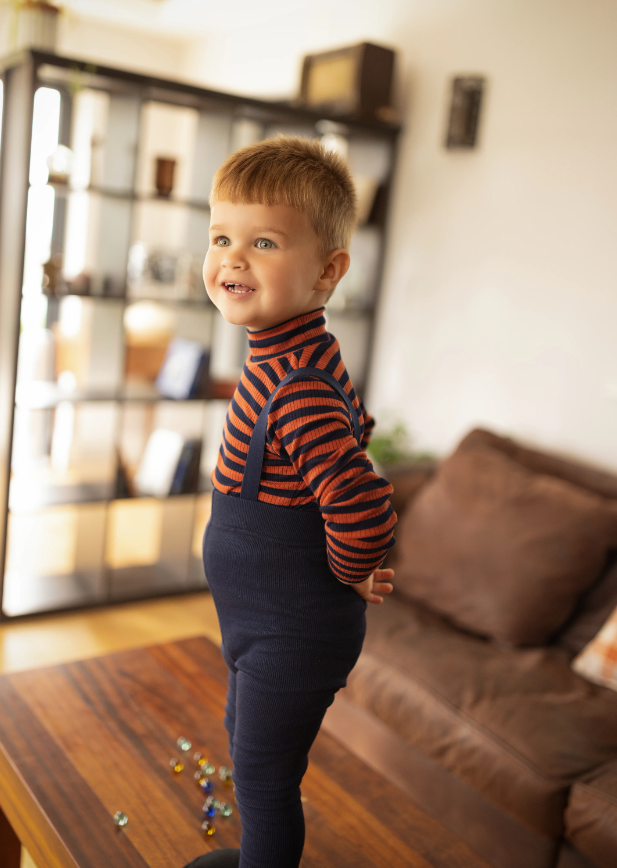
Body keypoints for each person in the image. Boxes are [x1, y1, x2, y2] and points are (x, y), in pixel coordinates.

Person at [184, 136, 397, 868]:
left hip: (291, 631)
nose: (232, 258)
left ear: (327, 272)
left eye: (264, 241)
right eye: (221, 237)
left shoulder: (294, 382)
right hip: (259, 622)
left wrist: (347, 570)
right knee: (246, 749)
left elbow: (362, 503)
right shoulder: (296, 354)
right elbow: (355, 430)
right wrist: (347, 569)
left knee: (267, 781)